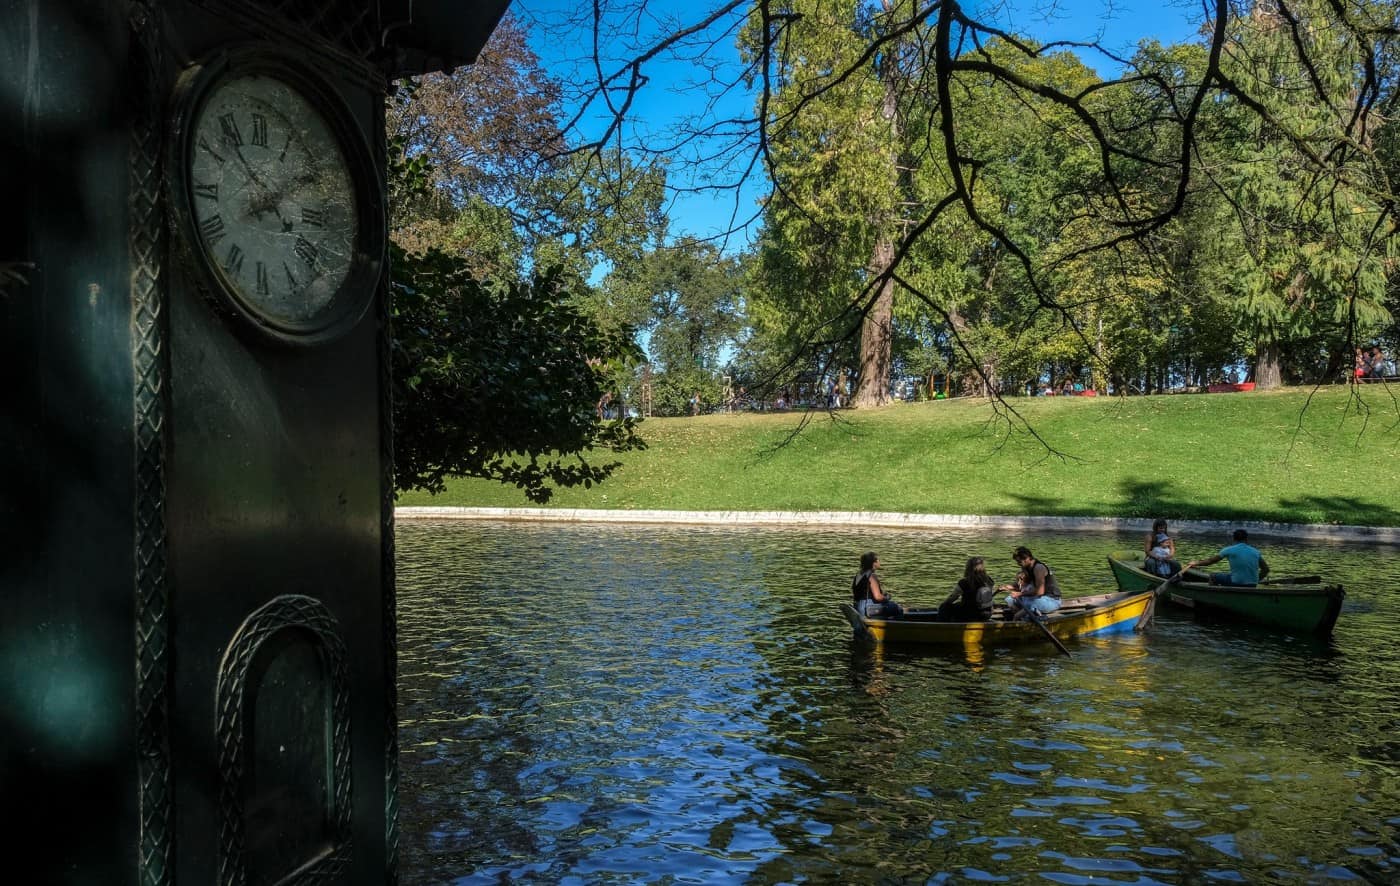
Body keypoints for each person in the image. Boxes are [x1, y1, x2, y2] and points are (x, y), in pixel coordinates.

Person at [1184, 529, 1270, 587]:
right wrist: (1256, 580)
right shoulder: (1255, 551)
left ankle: (1214, 598)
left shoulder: (1229, 550)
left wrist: (1195, 563)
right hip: (1252, 584)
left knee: (1213, 576)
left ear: (1234, 539)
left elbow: (1210, 561)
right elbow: (1266, 569)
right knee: (1228, 575)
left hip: (1237, 582)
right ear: (1246, 539)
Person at [998, 546, 1062, 619]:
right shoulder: (1026, 567)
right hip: (1037, 598)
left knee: (1030, 604)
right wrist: (1006, 587)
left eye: (1019, 562)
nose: (1018, 564)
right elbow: (1022, 585)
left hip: (1051, 600)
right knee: (1010, 599)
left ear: (1027, 558)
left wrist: (1019, 594)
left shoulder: (1039, 568)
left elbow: (1040, 592)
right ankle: (1025, 616)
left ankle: (1019, 617)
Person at [938, 556, 996, 621]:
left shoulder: (964, 582)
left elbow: (953, 597)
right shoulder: (989, 580)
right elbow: (989, 596)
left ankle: (944, 627)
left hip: (969, 613)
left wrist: (944, 604)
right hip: (987, 613)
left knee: (944, 607)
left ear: (968, 568)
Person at [852, 552, 904, 618]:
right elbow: (878, 597)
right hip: (868, 608)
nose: (879, 562)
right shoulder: (872, 576)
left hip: (858, 606)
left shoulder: (859, 575)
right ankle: (893, 626)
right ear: (874, 563)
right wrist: (887, 598)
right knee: (897, 608)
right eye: (878, 560)